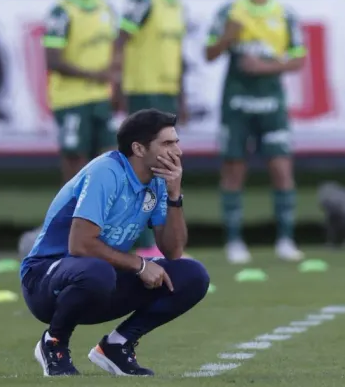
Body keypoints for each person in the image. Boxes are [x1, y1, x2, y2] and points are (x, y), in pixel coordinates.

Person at [20, 109, 210, 377]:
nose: (177, 151)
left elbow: (173, 250)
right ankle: (53, 343)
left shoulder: (157, 181)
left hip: (97, 278)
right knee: (97, 271)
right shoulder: (106, 172)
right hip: (43, 279)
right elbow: (80, 245)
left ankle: (117, 346)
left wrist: (174, 194)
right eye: (168, 143)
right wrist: (140, 264)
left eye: (176, 142)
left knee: (192, 275)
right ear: (139, 148)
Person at [205, 0, 306, 264]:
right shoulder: (229, 12)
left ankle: (286, 240)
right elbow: (209, 53)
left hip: (271, 103)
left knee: (281, 169)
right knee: (234, 170)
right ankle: (234, 242)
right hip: (236, 104)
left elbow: (299, 60)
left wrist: (264, 66)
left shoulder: (284, 15)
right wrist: (227, 38)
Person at [114, 0, 189, 258]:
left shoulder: (176, 5)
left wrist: (181, 94)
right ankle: (141, 242)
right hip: (143, 92)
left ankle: (157, 240)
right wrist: (116, 85)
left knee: (167, 169)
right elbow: (121, 40)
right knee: (143, 167)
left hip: (166, 93)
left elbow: (176, 56)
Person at [44, 0, 117, 184]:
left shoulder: (105, 8)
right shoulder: (61, 11)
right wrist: (93, 74)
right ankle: (69, 217)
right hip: (70, 99)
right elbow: (52, 60)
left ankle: (98, 218)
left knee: (106, 159)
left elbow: (114, 51)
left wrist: (117, 81)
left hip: (100, 96)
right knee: (75, 160)